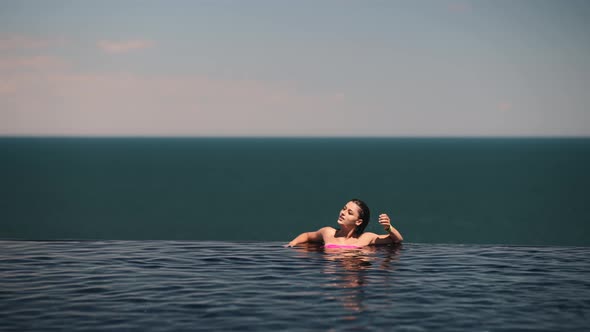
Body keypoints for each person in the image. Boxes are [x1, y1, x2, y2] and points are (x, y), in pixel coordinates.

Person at [287, 199, 403, 248]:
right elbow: (307, 236)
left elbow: (397, 240)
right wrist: (292, 243)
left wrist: (388, 227)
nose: (343, 213)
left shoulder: (366, 238)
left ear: (358, 221)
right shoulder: (328, 232)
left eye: (349, 212)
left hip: (354, 272)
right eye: (344, 208)